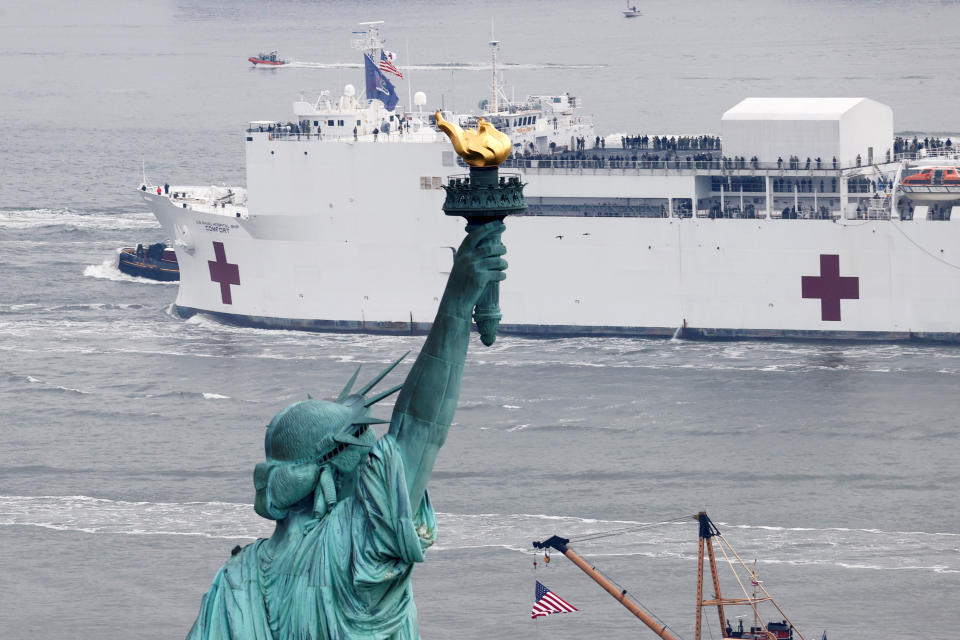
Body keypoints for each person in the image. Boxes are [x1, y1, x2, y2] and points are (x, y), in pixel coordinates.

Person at [186, 224, 508, 640]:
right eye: (366, 450)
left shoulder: (232, 579)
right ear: (329, 474)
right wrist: (457, 304)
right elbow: (420, 429)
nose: (377, 455)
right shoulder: (353, 550)